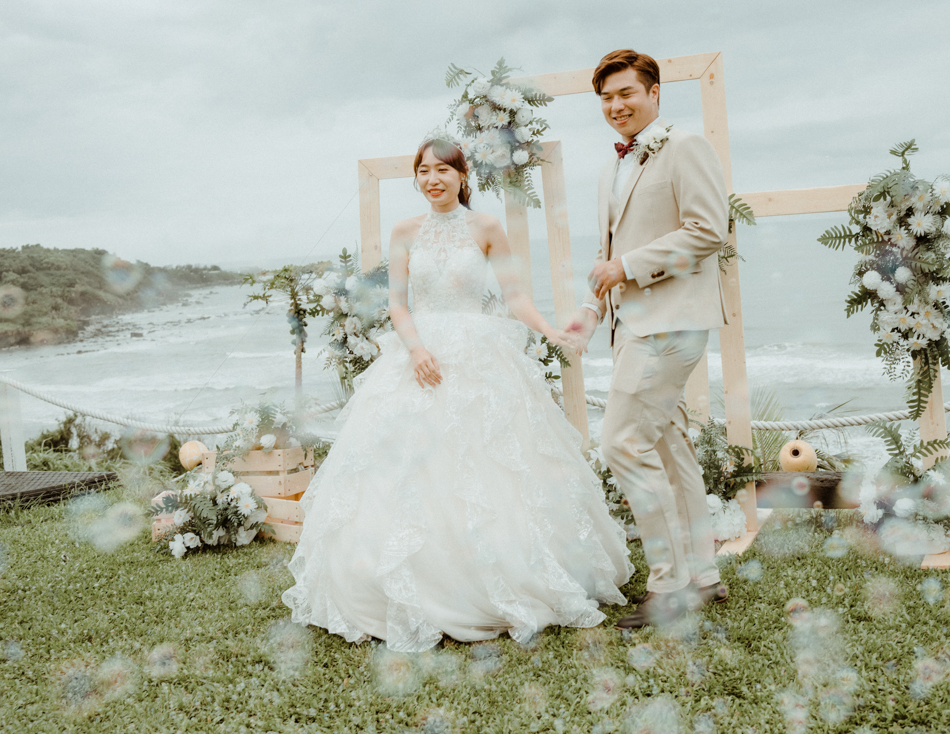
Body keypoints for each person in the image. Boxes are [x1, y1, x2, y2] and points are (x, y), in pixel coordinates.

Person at [282, 138, 632, 651]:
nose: (433, 179)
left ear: (462, 176)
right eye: (423, 171)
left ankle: (501, 572)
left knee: (491, 463)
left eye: (443, 170)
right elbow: (398, 304)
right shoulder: (404, 232)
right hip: (420, 354)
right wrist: (417, 350)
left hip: (478, 353)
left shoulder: (486, 227)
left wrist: (549, 331)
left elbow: (514, 295)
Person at [563, 49, 731, 629]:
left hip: (670, 322)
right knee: (667, 447)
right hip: (632, 325)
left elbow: (708, 230)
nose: (616, 106)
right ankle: (702, 576)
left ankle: (669, 586)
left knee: (622, 446)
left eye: (626, 93)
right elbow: (611, 253)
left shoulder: (684, 146)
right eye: (606, 98)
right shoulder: (611, 168)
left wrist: (629, 266)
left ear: (654, 93)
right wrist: (592, 309)